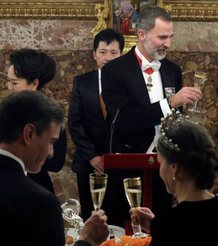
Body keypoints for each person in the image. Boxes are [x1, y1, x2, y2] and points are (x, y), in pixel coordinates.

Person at [101, 6, 201, 225]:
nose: (168, 43)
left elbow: (174, 118)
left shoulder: (171, 70)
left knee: (161, 230)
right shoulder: (114, 70)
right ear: (142, 34)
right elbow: (124, 121)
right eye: (162, 37)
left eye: (171, 37)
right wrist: (170, 103)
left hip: (164, 168)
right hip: (129, 167)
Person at [0, 90, 109, 246]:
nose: (51, 153)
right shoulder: (40, 203)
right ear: (29, 133)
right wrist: (86, 241)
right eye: (51, 141)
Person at [130, 111, 218, 246]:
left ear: (174, 167)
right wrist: (158, 226)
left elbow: (180, 233)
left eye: (160, 162)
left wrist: (99, 241)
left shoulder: (168, 224)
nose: (160, 170)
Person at [68, 28, 124, 221]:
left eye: (113, 53)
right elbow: (75, 123)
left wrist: (111, 157)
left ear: (121, 54)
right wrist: (92, 157)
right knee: (90, 218)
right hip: (87, 163)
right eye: (103, 52)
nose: (108, 57)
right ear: (94, 54)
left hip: (119, 163)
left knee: (116, 218)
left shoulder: (129, 84)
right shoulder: (81, 83)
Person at [7, 48, 67, 193]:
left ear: (34, 84)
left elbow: (56, 162)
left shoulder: (51, 115)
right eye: (8, 81)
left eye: (14, 83)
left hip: (36, 188)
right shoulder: (6, 111)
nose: (9, 87)